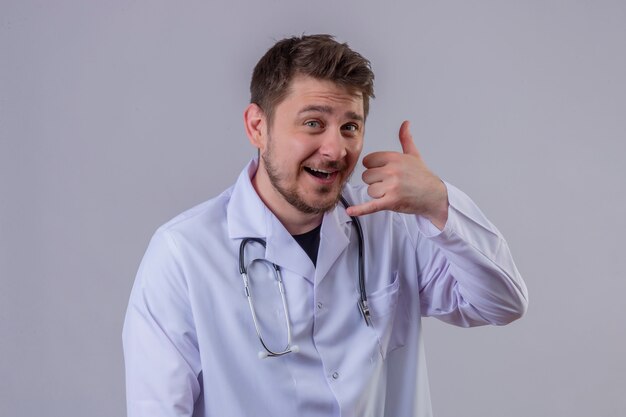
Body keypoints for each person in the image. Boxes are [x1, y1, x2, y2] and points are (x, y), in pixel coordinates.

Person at [122, 34, 528, 417]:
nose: (336, 149)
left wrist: (439, 202)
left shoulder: (392, 224)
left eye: (350, 126)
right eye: (313, 123)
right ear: (257, 127)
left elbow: (502, 303)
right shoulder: (183, 253)